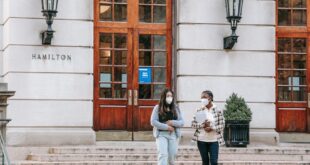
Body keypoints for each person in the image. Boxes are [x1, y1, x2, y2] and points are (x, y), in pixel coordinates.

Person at [150, 89, 184, 165]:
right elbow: (153, 121)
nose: (170, 98)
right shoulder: (157, 107)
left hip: (173, 135)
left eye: (171, 96)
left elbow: (182, 122)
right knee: (163, 155)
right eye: (168, 96)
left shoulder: (175, 107)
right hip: (161, 134)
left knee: (172, 157)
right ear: (163, 97)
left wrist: (173, 122)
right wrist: (167, 127)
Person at [191, 90, 225, 165]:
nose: (202, 99)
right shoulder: (199, 110)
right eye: (201, 97)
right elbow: (193, 124)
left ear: (210, 98)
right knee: (205, 162)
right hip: (201, 140)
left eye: (204, 97)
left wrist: (212, 127)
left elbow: (222, 126)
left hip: (214, 140)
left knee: (214, 162)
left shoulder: (218, 110)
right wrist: (203, 125)